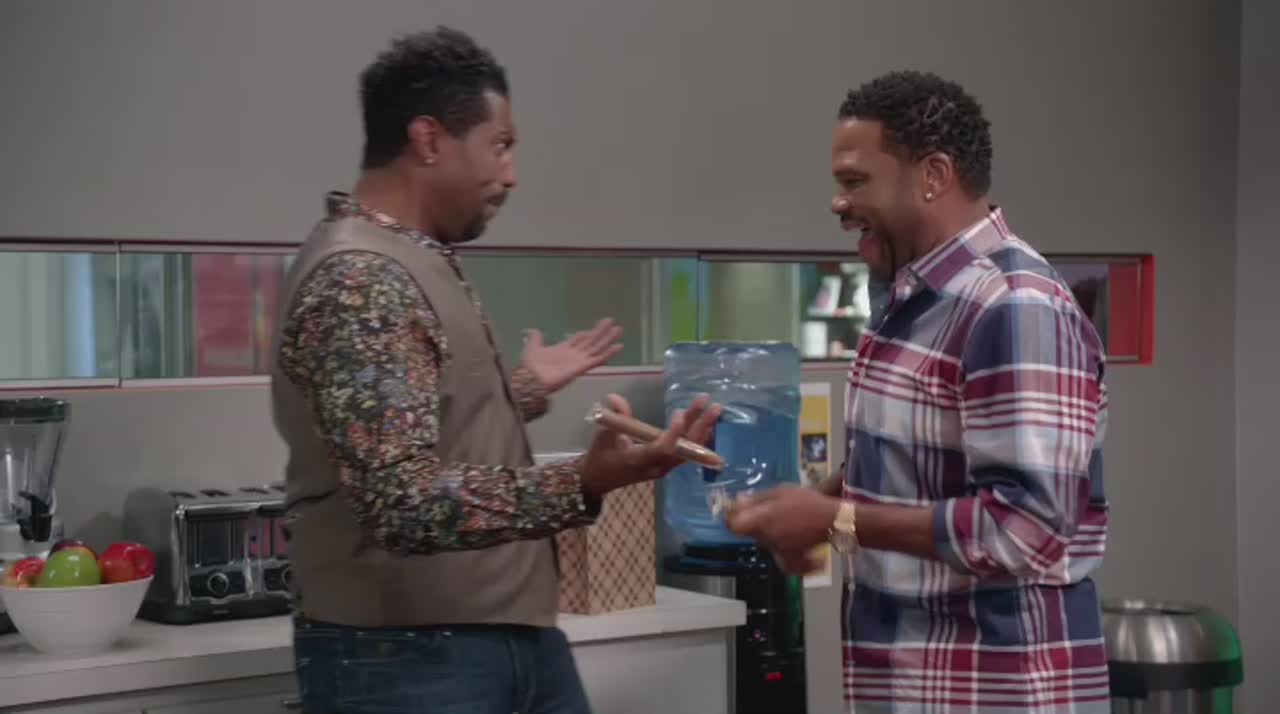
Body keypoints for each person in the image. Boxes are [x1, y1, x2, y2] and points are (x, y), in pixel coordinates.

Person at [270, 27, 719, 714]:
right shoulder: (361, 278)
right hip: (408, 657)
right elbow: (401, 500)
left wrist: (522, 391)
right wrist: (584, 480)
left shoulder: (406, 258)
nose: (511, 175)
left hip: (497, 640)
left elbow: (404, 420)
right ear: (428, 140)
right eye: (499, 146)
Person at [725, 71, 1110, 713]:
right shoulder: (913, 302)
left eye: (855, 182)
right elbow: (916, 469)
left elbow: (1026, 528)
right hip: (912, 682)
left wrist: (835, 520)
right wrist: (812, 512)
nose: (838, 203)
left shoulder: (1014, 306)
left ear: (933, 176)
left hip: (996, 692)